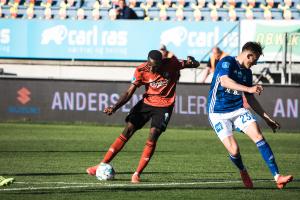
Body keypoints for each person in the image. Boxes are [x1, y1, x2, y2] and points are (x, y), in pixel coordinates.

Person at [87, 50, 200, 183]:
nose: (153, 68)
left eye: (156, 66)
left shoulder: (172, 63)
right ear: (147, 61)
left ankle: (137, 174)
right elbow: (129, 92)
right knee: (128, 129)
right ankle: (101, 165)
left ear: (161, 63)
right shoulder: (141, 70)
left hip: (164, 106)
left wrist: (193, 62)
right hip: (146, 104)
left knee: (153, 134)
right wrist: (115, 107)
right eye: (151, 65)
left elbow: (193, 64)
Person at [207, 41, 293, 189]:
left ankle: (278, 177)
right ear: (249, 55)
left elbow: (250, 97)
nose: (255, 63)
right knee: (234, 150)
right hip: (217, 113)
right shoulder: (226, 62)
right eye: (255, 59)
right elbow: (225, 82)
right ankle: (243, 170)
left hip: (237, 110)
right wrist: (249, 88)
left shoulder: (247, 72)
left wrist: (267, 119)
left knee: (258, 136)